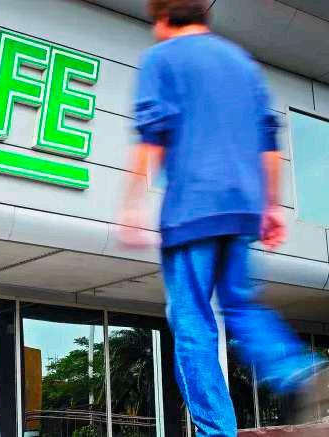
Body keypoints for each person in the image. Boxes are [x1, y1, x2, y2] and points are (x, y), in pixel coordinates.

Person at [120, 0, 326, 435]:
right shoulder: (241, 63)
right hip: (241, 209)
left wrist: (132, 203)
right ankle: (298, 370)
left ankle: (216, 430)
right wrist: (271, 206)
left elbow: (152, 135)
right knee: (239, 304)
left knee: (192, 320)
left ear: (162, 19)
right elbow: (268, 143)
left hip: (192, 210)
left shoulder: (162, 58)